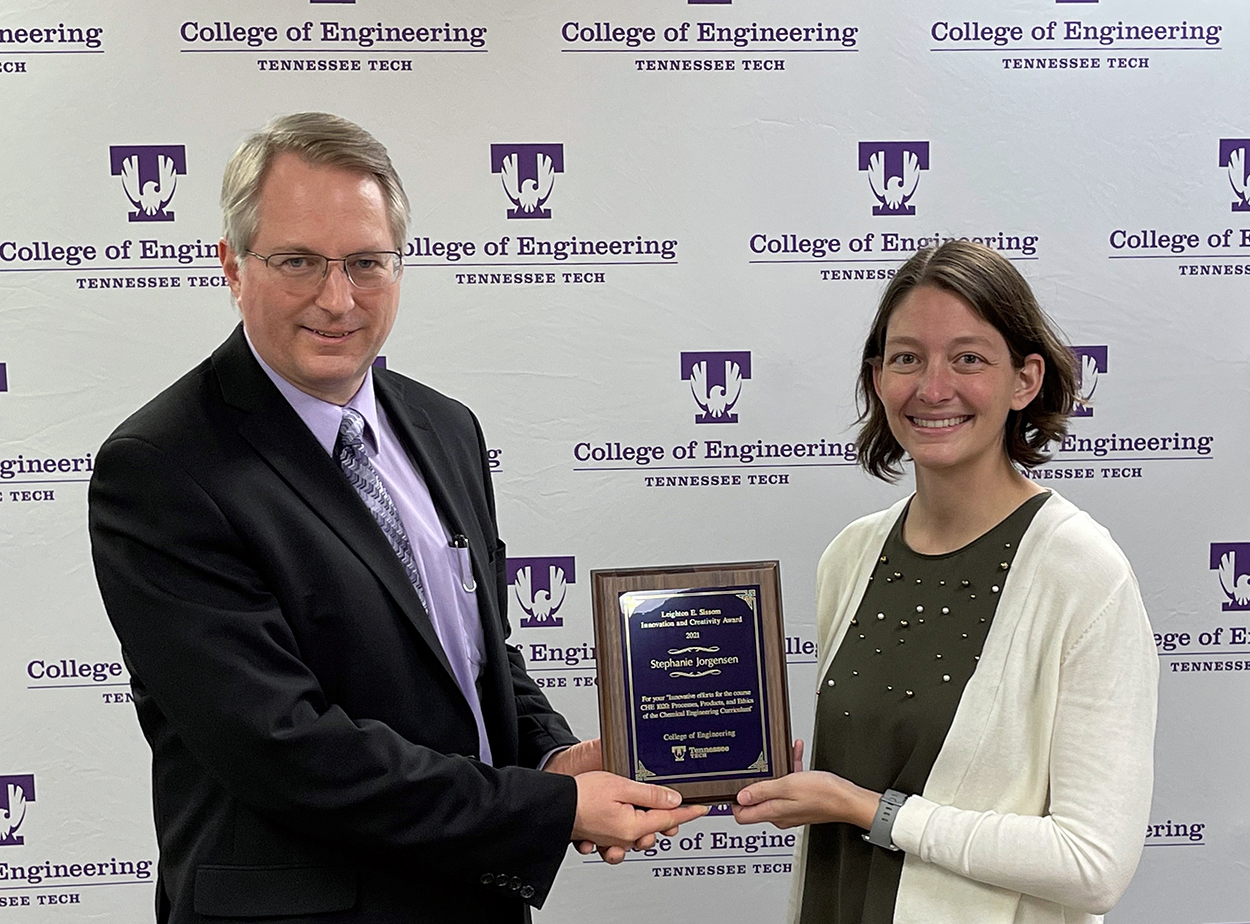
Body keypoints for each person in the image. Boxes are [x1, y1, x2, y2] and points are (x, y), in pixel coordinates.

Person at [88, 112, 704, 924]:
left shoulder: (445, 428)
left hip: (469, 901)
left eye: (366, 263)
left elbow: (476, 657)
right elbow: (286, 750)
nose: (337, 299)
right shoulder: (163, 468)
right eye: (299, 261)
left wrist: (553, 756)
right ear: (233, 267)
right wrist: (547, 809)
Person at [732, 241, 1157, 924]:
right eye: (906, 358)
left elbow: (1092, 864)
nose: (932, 388)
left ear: (1025, 380)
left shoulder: (1083, 573)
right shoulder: (851, 555)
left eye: (968, 358)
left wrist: (868, 810)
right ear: (877, 378)